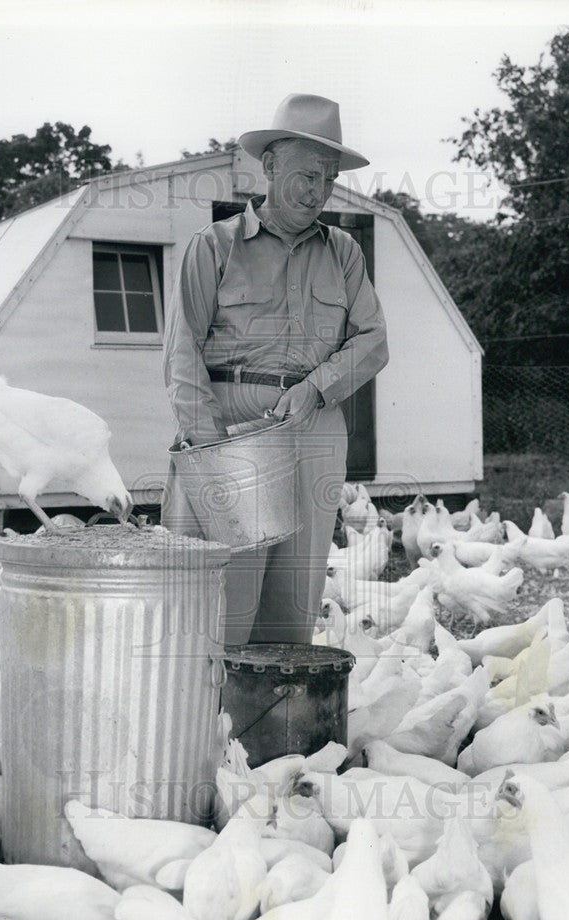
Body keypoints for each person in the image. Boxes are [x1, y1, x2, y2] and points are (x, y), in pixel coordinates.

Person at [161, 93, 389, 645]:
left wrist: (316, 388)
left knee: (294, 605)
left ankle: (271, 727)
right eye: (307, 176)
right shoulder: (212, 247)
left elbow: (375, 340)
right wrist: (212, 450)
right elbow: (180, 352)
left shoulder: (345, 252)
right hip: (231, 428)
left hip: (314, 431)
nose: (318, 192)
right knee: (218, 608)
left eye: (329, 180)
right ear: (269, 167)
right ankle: (205, 728)